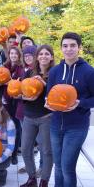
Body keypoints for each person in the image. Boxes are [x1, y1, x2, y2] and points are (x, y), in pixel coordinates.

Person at [45, 32, 94, 187]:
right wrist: (48, 103)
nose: (69, 49)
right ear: (61, 48)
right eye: (65, 46)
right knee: (58, 166)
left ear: (79, 48)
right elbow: (49, 95)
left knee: (67, 167)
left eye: (73, 45)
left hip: (77, 127)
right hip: (55, 125)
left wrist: (80, 103)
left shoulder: (89, 72)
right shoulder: (55, 71)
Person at [20, 45, 55, 187]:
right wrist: (25, 98)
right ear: (37, 56)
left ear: (51, 57)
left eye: (47, 54)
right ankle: (32, 178)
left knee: (46, 150)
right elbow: (21, 91)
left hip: (46, 117)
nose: (43, 56)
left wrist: (44, 84)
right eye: (41, 54)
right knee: (25, 149)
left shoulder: (55, 73)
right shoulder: (29, 72)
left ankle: (44, 180)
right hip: (29, 116)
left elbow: (59, 95)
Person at [2, 46, 24, 165]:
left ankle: (14, 154)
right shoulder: (5, 67)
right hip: (6, 100)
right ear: (9, 55)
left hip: (17, 101)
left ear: (19, 55)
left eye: (16, 54)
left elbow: (23, 83)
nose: (13, 55)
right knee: (6, 128)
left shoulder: (21, 68)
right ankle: (6, 152)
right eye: (11, 53)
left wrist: (12, 82)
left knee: (16, 128)